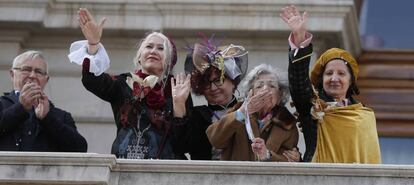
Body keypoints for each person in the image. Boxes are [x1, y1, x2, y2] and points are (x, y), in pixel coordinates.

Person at [68, 8, 190, 159]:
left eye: (161, 48)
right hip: (123, 168)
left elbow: (182, 144)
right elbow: (93, 81)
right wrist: (93, 45)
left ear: (169, 61)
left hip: (163, 173)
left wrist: (179, 105)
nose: (153, 51)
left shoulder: (177, 89)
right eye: (149, 46)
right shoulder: (125, 82)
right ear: (140, 57)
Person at [281, 5, 381, 163]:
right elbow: (298, 83)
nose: (334, 78)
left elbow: (370, 158)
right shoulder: (312, 105)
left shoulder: (365, 115)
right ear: (321, 80)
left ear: (350, 81)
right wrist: (300, 44)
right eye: (329, 73)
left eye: (341, 74)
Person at [174, 37, 300, 161]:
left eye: (218, 80)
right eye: (206, 83)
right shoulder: (198, 116)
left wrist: (295, 157)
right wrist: (178, 104)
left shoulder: (263, 114)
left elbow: (287, 153)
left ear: (233, 82)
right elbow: (180, 147)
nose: (212, 88)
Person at [206, 64, 299, 161]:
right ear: (251, 93)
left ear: (280, 95)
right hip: (237, 175)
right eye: (259, 86)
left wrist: (267, 155)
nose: (265, 89)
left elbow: (289, 160)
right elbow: (215, 140)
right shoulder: (237, 112)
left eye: (272, 86)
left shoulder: (287, 123)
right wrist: (242, 112)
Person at [0, 50, 87, 152]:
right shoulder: (2, 105)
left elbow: (80, 148)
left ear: (46, 80)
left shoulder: (60, 116)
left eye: (38, 72)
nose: (32, 75)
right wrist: (21, 107)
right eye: (26, 69)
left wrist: (47, 118)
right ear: (12, 74)